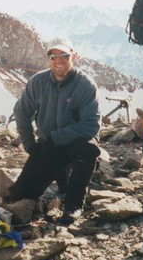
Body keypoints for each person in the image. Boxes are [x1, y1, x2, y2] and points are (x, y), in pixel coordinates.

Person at [9, 37, 102, 226]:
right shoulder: (38, 82)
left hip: (75, 143)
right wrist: (30, 146)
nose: (58, 60)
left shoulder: (85, 85)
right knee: (20, 194)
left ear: (73, 56)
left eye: (64, 55)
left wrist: (57, 137)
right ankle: (62, 175)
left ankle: (74, 203)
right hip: (49, 145)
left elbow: (92, 125)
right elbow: (21, 112)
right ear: (47, 58)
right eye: (53, 56)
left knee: (89, 150)